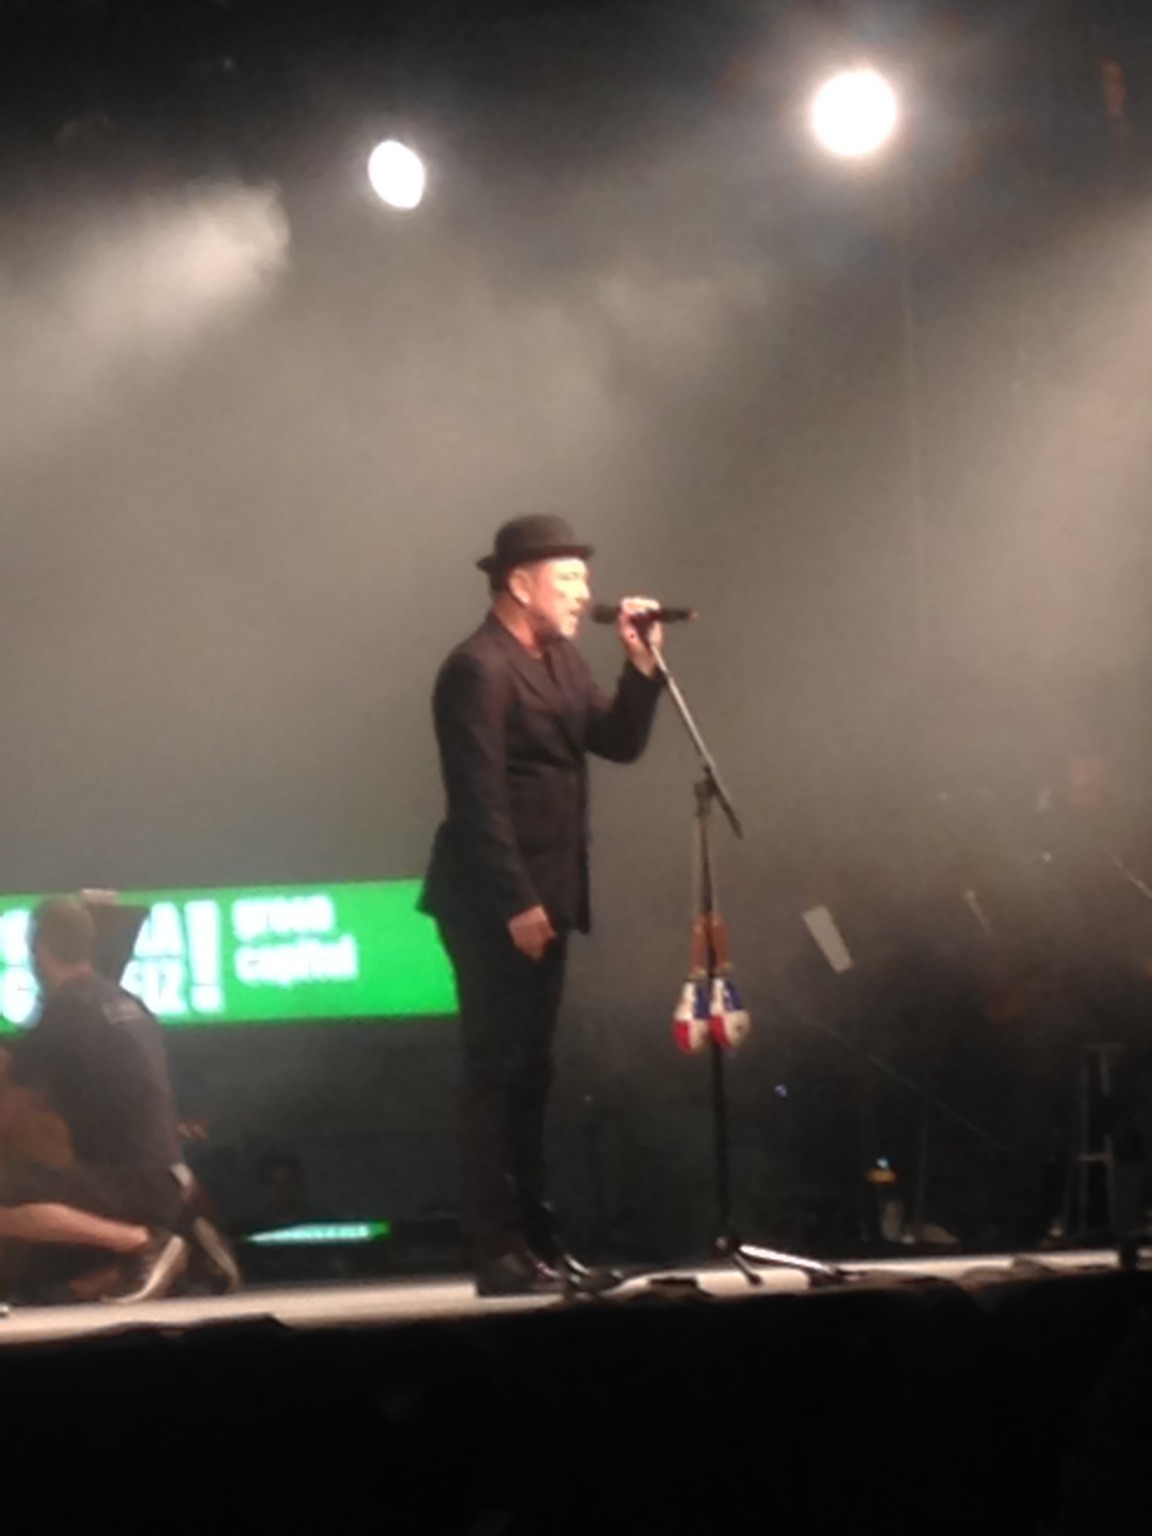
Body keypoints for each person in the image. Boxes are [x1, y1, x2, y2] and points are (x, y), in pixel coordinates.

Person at [421, 513, 664, 1296]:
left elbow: (617, 741)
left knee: (532, 1072)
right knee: (495, 1072)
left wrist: (640, 667)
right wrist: (516, 902)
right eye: (569, 580)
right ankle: (498, 1249)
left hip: (553, 896)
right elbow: (477, 799)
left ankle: (537, 1243)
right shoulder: (477, 669)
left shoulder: (558, 659)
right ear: (520, 584)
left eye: (585, 580)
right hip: (494, 901)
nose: (584, 593)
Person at [0, 897, 190, 1303]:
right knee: (52, 1281)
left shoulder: (64, 1013)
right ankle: (172, 1253)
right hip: (168, 1178)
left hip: (126, 1184)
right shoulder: (130, 1004)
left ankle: (144, 1243)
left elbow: (9, 1113)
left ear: (40, 952)